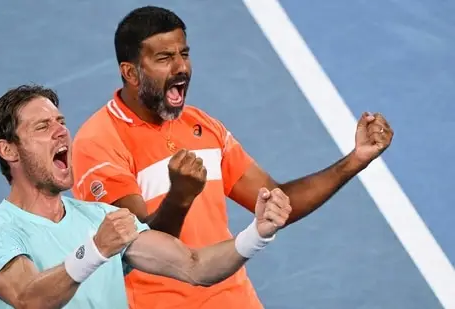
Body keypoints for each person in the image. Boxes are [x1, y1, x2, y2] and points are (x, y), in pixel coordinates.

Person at [70, 5, 394, 309]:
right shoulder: (98, 142)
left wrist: (356, 159)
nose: (181, 67)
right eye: (165, 58)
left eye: (184, 54)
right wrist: (179, 198)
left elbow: (277, 200)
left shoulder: (202, 125)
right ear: (131, 72)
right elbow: (134, 246)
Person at [0, 84, 292, 309]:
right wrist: (94, 251)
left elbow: (195, 266)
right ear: (8, 150)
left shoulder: (99, 218)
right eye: (42, 127)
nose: (60, 131)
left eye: (61, 122)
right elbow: (29, 299)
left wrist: (257, 233)